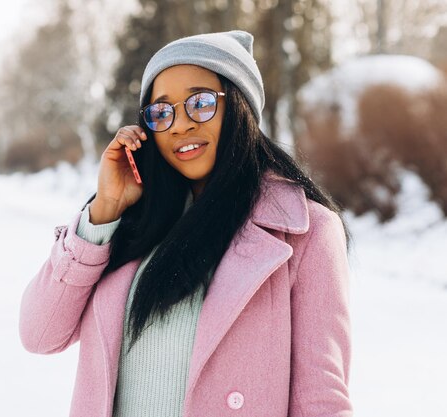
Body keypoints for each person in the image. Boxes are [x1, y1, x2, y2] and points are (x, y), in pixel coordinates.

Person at [19, 30, 353, 417]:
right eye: (162, 112)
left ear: (239, 107)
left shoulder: (305, 231)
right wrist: (104, 211)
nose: (180, 125)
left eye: (201, 103)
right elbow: (39, 334)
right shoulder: (131, 223)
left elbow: (321, 401)